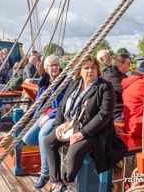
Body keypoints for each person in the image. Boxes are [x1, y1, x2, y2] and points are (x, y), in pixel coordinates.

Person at [44, 56, 127, 192]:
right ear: (80, 71)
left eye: (93, 67)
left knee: (74, 151)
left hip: (95, 131)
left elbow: (104, 114)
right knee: (48, 142)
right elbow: (61, 106)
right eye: (86, 68)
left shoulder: (105, 87)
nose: (90, 71)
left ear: (97, 69)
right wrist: (58, 124)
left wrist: (82, 134)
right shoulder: (74, 84)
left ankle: (66, 181)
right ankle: (56, 181)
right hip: (71, 125)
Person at [22, 55, 67, 189]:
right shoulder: (44, 81)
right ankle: (48, 154)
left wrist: (48, 116)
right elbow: (39, 102)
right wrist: (33, 116)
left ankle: (45, 174)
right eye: (51, 65)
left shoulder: (65, 82)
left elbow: (64, 106)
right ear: (46, 68)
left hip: (56, 115)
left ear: (59, 66)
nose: (54, 67)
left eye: (56, 65)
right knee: (28, 139)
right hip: (44, 115)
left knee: (43, 136)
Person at [101, 53, 130, 122]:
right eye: (128, 64)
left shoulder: (119, 74)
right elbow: (127, 94)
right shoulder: (112, 77)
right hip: (116, 114)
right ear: (121, 65)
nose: (130, 66)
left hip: (118, 111)